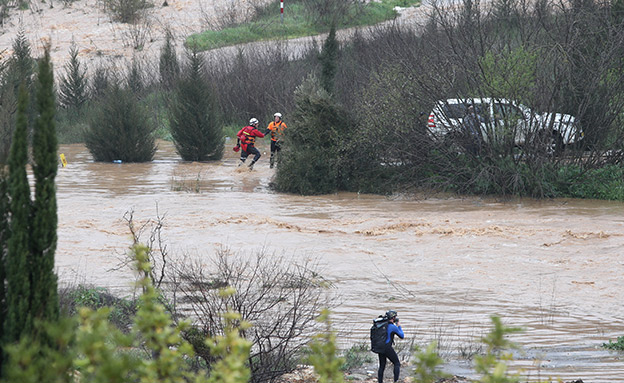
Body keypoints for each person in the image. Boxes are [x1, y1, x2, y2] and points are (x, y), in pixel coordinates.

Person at [377, 310, 404, 383]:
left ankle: (380, 381)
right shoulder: (392, 327)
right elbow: (402, 336)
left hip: (380, 347)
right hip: (387, 348)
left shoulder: (382, 325)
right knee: (397, 363)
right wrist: (399, 326)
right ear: (393, 318)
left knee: (382, 365)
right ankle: (396, 381)